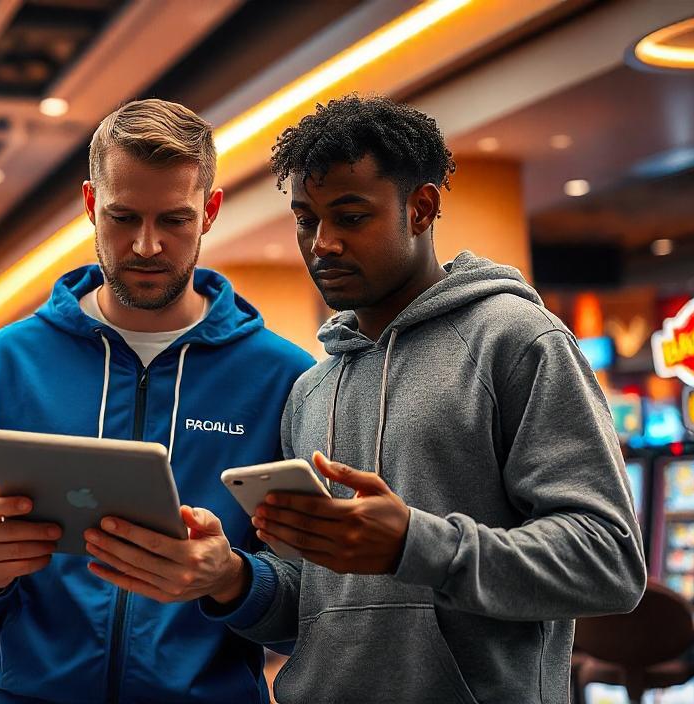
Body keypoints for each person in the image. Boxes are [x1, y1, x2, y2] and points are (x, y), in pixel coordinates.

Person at [91, 94, 647, 702]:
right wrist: (229, 577)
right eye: (306, 219)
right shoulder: (312, 388)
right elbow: (308, 609)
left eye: (350, 217)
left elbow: (609, 559)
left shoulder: (513, 341)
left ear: (421, 208)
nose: (321, 243)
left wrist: (417, 544)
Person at [0, 98, 316, 702]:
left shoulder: (282, 375)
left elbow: (313, 604)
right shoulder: (10, 361)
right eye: (123, 217)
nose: (147, 246)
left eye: (174, 220)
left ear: (209, 212)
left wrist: (233, 579)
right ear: (89, 206)